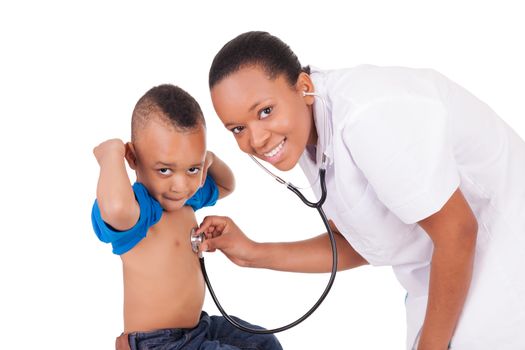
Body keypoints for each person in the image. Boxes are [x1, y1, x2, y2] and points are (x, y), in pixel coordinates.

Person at [197, 31, 525, 349]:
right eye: (238, 128)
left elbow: (457, 232)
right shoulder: (307, 130)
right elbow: (355, 245)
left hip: (503, 261)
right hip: (444, 275)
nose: (256, 139)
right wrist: (252, 253)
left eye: (265, 111)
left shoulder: (367, 117)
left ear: (304, 87)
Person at [91, 84, 283, 350]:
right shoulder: (139, 210)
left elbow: (228, 185)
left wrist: (209, 161)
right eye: (165, 170)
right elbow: (114, 209)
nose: (180, 185)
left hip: (196, 329)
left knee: (262, 341)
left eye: (191, 168)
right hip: (158, 343)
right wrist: (111, 155)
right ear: (133, 157)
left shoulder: (185, 200)